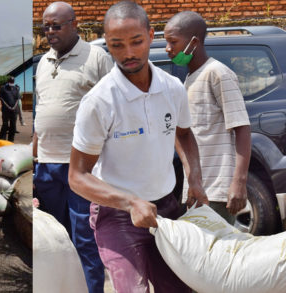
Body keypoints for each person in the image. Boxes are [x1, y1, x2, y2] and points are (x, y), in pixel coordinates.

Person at [68, 2, 207, 292]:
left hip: (167, 209)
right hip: (117, 216)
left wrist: (194, 178)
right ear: (107, 43)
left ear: (151, 35)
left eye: (136, 42)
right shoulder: (99, 102)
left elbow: (183, 134)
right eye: (117, 45)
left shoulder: (172, 88)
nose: (128, 53)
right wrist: (130, 202)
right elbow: (77, 176)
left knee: (182, 288)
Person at [34, 2, 114, 292]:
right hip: (46, 165)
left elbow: (112, 109)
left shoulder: (96, 57)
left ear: (74, 24)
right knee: (56, 239)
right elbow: (40, 111)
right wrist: (34, 157)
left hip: (82, 166)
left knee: (85, 239)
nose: (50, 31)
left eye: (57, 25)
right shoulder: (43, 62)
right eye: (46, 26)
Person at [164, 11, 250, 223]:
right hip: (198, 190)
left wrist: (238, 182)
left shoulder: (218, 73)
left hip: (218, 190)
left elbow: (242, 128)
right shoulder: (190, 79)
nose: (168, 49)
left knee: (218, 252)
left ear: (193, 43)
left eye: (173, 42)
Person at [0, 76, 20, 141]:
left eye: (12, 81)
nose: (11, 82)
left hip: (14, 110)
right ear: (8, 82)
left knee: (13, 126)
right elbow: (1, 98)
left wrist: (14, 107)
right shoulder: (3, 88)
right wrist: (8, 106)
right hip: (6, 110)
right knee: (5, 125)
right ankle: (2, 139)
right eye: (10, 81)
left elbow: (17, 99)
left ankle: (11, 140)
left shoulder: (16, 88)